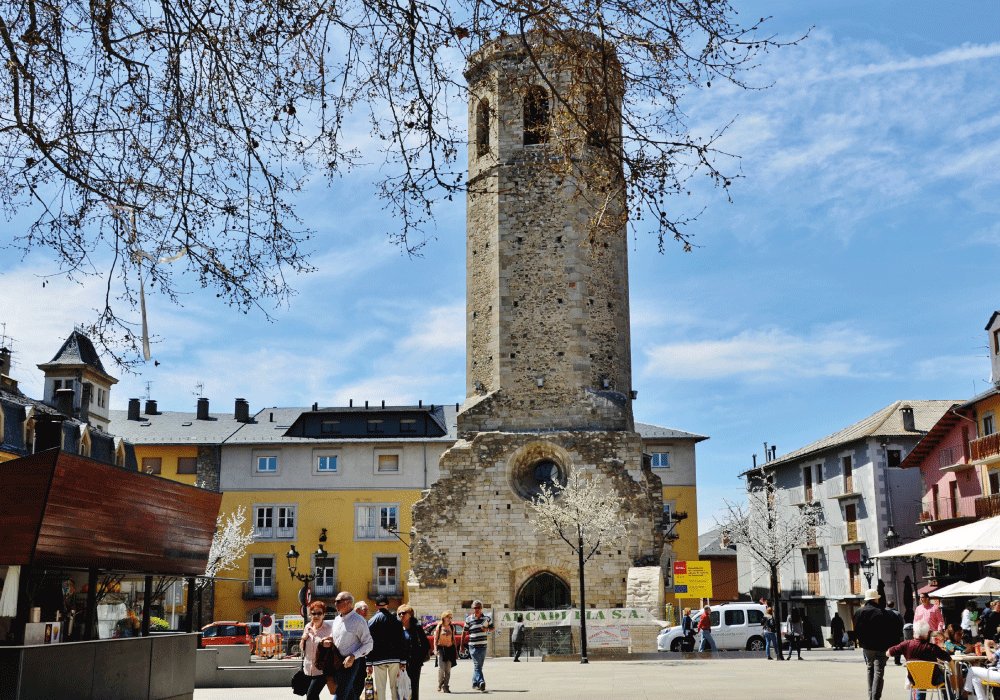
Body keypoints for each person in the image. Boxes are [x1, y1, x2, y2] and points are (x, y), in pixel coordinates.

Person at [854, 589, 902, 700]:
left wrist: (861, 642)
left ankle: (871, 695)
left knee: (870, 668)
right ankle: (875, 697)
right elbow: (892, 630)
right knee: (879, 671)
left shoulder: (859, 612)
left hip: (867, 646)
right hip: (882, 646)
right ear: (876, 598)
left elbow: (856, 630)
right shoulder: (884, 612)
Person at [886, 620, 953, 700]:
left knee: (919, 677)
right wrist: (954, 672)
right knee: (945, 677)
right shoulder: (932, 647)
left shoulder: (906, 644)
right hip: (933, 680)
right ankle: (950, 698)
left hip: (914, 679)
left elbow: (888, 653)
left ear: (914, 631)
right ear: (927, 633)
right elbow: (948, 658)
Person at [331, 592, 374, 700]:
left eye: (339, 601)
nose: (335, 603)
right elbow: (335, 637)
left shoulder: (359, 621)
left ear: (349, 603)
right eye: (335, 601)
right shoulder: (336, 620)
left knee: (340, 693)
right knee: (349, 694)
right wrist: (327, 640)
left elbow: (369, 644)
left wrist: (353, 656)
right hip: (336, 662)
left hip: (351, 663)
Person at [367, 595, 406, 700]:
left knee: (380, 688)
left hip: (378, 659)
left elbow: (369, 643)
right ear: (387, 605)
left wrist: (369, 663)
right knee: (395, 687)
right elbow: (401, 642)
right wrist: (403, 661)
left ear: (376, 605)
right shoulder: (397, 622)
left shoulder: (371, 622)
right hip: (395, 658)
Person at [302, 601, 338, 700]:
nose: (316, 616)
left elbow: (334, 645)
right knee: (313, 695)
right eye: (313, 613)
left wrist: (328, 643)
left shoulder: (330, 628)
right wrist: (303, 639)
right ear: (310, 615)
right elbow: (302, 648)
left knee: (311, 695)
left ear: (324, 615)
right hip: (308, 668)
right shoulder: (308, 627)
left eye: (319, 613)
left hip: (322, 669)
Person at [399, 604, 430, 700]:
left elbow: (426, 646)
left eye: (403, 613)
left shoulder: (417, 628)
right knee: (401, 688)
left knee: (413, 687)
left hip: (414, 663)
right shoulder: (398, 628)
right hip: (401, 664)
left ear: (410, 615)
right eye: (399, 613)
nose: (401, 615)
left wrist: (418, 659)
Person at [465, 600, 494, 692]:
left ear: (481, 608)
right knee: (477, 665)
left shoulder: (487, 618)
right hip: (472, 646)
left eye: (478, 607)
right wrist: (462, 645)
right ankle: (481, 682)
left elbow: (493, 628)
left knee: (478, 666)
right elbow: (464, 632)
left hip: (483, 646)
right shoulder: (468, 619)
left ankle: (474, 683)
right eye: (475, 608)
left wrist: (487, 629)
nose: (476, 609)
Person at [349, 601, 371, 700]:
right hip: (350, 658)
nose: (367, 612)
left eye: (367, 609)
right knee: (351, 685)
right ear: (357, 610)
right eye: (364, 609)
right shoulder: (350, 621)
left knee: (360, 684)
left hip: (362, 659)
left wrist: (369, 663)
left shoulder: (366, 623)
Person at [434, 611, 458, 693]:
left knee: (448, 669)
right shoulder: (439, 626)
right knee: (441, 669)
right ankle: (440, 683)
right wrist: (435, 649)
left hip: (450, 649)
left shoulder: (451, 627)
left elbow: (453, 639)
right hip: (441, 649)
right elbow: (435, 639)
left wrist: (456, 651)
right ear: (444, 617)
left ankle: (446, 686)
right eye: (449, 617)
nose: (450, 619)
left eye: (451, 617)